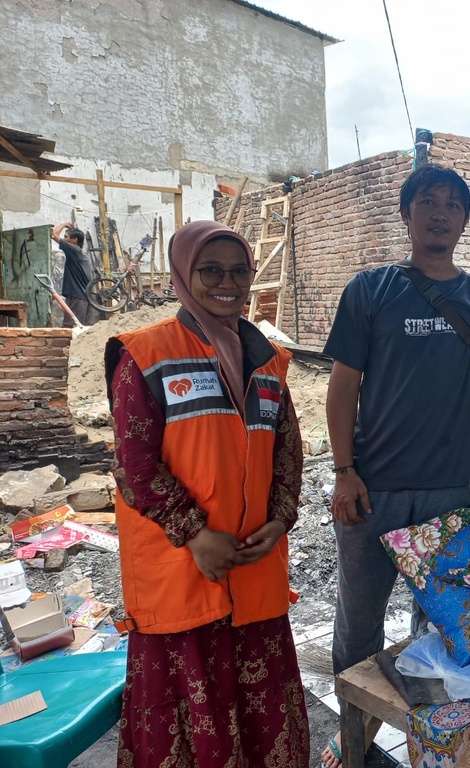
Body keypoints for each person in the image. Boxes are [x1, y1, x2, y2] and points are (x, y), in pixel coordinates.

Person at [321, 164, 470, 767]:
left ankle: (428, 740)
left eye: (451, 204)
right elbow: (343, 388)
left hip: (449, 495)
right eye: (427, 202)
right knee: (359, 626)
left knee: (434, 626)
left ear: (464, 219)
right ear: (407, 214)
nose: (439, 213)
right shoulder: (371, 290)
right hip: (372, 492)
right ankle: (355, 743)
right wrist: (342, 470)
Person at [104, 220, 309, 767]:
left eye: (239, 272)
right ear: (182, 274)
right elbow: (134, 465)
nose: (229, 283)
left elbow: (288, 451)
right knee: (194, 728)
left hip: (255, 573)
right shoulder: (145, 355)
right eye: (211, 270)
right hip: (183, 577)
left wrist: (281, 517)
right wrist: (195, 535)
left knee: (263, 722)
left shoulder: (268, 362)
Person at [51, 221, 95, 326]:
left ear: (74, 240)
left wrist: (63, 224)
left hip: (77, 295)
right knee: (81, 325)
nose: (64, 239)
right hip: (83, 296)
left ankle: (67, 343)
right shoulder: (79, 253)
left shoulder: (73, 250)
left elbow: (53, 234)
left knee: (72, 325)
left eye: (66, 237)